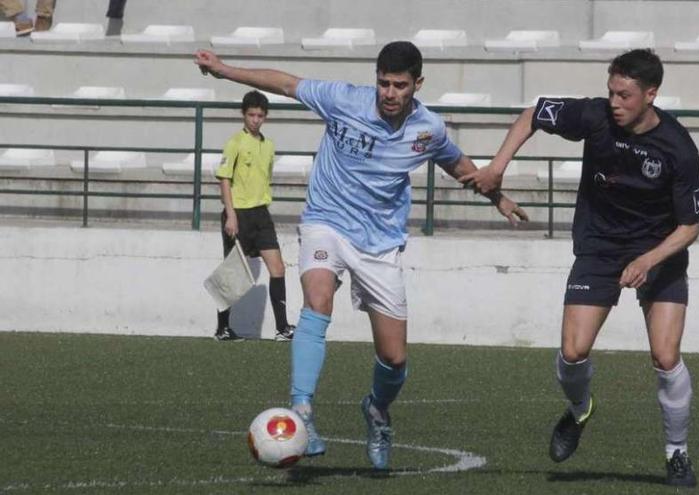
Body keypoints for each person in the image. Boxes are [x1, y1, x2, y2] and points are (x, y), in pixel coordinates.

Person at [195, 41, 528, 470]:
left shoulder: (428, 129)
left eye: (400, 85)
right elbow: (285, 83)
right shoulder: (344, 100)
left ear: (417, 84)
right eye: (383, 83)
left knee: (394, 358)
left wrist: (498, 199)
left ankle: (376, 410)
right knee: (317, 300)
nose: (389, 93)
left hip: (380, 243)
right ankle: (302, 411)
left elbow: (459, 166)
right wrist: (224, 70)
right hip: (326, 221)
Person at [461, 49, 699, 487]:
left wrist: (648, 259)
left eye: (625, 95)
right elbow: (532, 114)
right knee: (573, 353)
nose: (614, 102)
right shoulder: (595, 117)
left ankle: (677, 454)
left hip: (659, 251)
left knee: (666, 357)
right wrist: (497, 167)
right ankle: (579, 411)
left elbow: (690, 226)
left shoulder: (678, 147)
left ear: (651, 95)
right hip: (599, 247)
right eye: (611, 91)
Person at [214, 90, 296, 343]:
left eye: (260, 116)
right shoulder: (235, 142)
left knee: (278, 268)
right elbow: (224, 179)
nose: (255, 120)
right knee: (233, 272)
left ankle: (282, 328)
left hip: (262, 214)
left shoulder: (268, 145)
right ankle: (223, 328)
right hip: (238, 214)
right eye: (251, 115)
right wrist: (231, 215)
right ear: (243, 114)